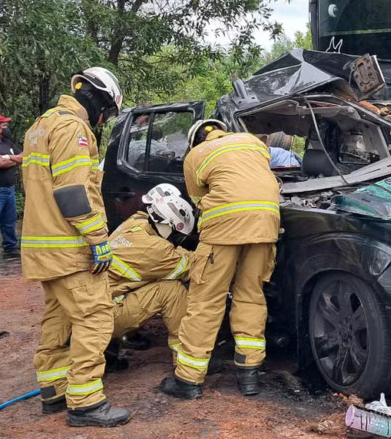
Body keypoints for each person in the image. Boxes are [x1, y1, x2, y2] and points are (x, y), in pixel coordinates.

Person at [21, 67, 131, 427]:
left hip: (43, 244)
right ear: (98, 97)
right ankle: (85, 401)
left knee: (58, 316)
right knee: (96, 317)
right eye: (108, 111)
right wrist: (98, 238)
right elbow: (73, 191)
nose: (104, 119)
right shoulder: (73, 128)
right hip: (68, 246)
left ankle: (53, 389)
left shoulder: (41, 125)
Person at [160, 119, 280, 400]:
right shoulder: (253, 141)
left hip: (223, 230)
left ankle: (188, 379)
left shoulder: (195, 156)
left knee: (206, 300)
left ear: (196, 140)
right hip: (266, 225)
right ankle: (249, 376)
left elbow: (198, 200)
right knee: (251, 295)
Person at [109, 184, 197, 364]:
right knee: (171, 290)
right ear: (167, 226)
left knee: (141, 283)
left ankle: (109, 352)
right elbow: (192, 267)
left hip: (90, 306)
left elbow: (165, 256)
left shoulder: (135, 224)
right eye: (176, 235)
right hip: (104, 316)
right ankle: (186, 360)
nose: (175, 240)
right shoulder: (155, 249)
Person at [0, 113, 23, 258]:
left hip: (9, 189)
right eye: (4, 125)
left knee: (9, 221)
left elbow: (24, 156)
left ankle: (10, 248)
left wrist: (9, 157)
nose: (6, 127)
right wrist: (14, 160)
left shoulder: (7, 143)